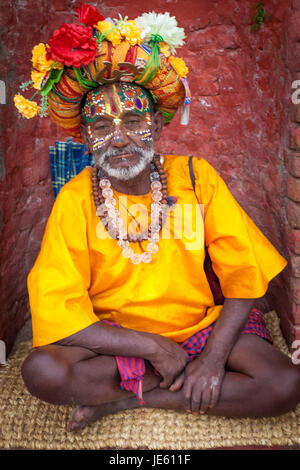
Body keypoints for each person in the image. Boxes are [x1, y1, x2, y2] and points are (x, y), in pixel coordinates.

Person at [15, 6, 300, 432]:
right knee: (42, 371)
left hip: (199, 326)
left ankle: (126, 403)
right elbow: (59, 309)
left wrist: (212, 359)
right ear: (86, 137)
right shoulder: (76, 198)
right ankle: (171, 385)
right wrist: (150, 346)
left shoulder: (194, 176)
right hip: (115, 341)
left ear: (157, 125)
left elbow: (246, 273)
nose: (121, 138)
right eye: (102, 125)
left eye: (134, 120)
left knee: (285, 384)